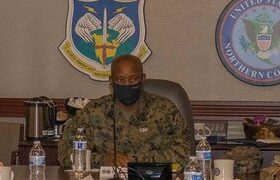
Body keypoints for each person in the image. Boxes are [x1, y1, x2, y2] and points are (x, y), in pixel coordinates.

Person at [56, 53, 192, 172]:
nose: (127, 84)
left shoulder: (164, 110)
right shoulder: (94, 111)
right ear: (111, 82)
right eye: (120, 80)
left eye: (133, 79)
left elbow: (183, 154)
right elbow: (65, 153)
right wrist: (102, 160)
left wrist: (132, 160)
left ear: (143, 79)